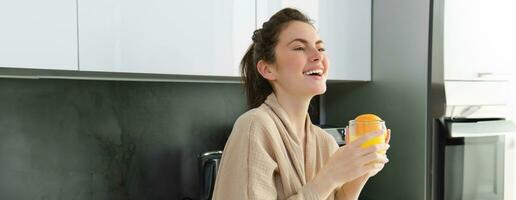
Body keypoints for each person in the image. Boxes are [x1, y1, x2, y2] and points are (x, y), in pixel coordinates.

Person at [212, 8, 391, 200]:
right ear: (267, 69)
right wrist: (330, 176)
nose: (317, 56)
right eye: (299, 47)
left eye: (320, 48)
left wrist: (357, 175)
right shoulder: (255, 127)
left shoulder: (325, 142)